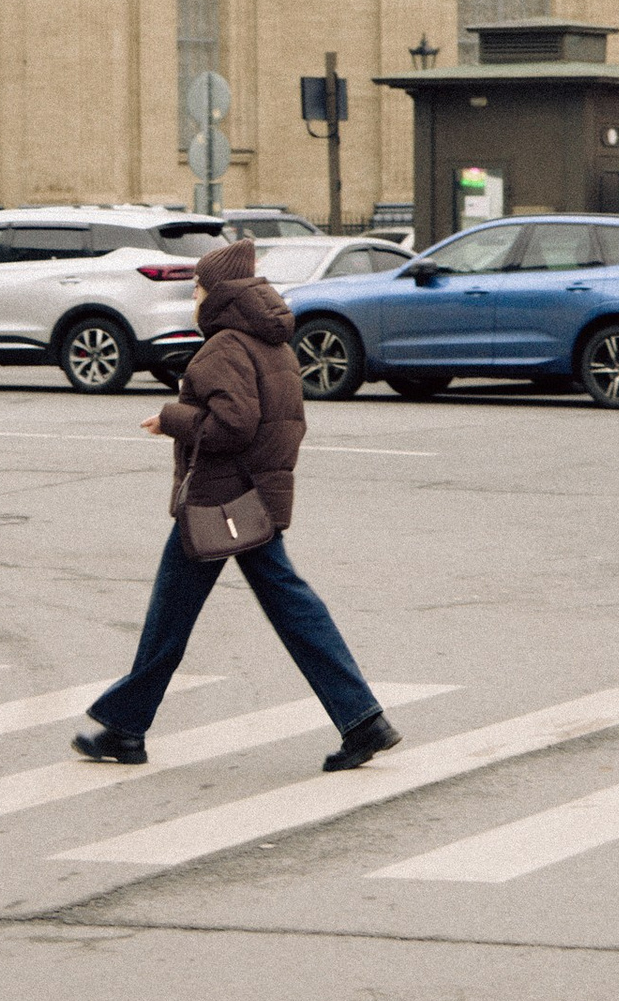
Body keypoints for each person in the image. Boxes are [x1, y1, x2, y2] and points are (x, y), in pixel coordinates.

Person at [74, 238, 400, 773]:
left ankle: (126, 728)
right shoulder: (270, 341)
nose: (194, 298)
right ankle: (362, 719)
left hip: (218, 501)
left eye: (198, 288)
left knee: (173, 617)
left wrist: (172, 418)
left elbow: (233, 424)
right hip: (252, 497)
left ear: (218, 294)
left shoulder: (226, 346)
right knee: (287, 607)